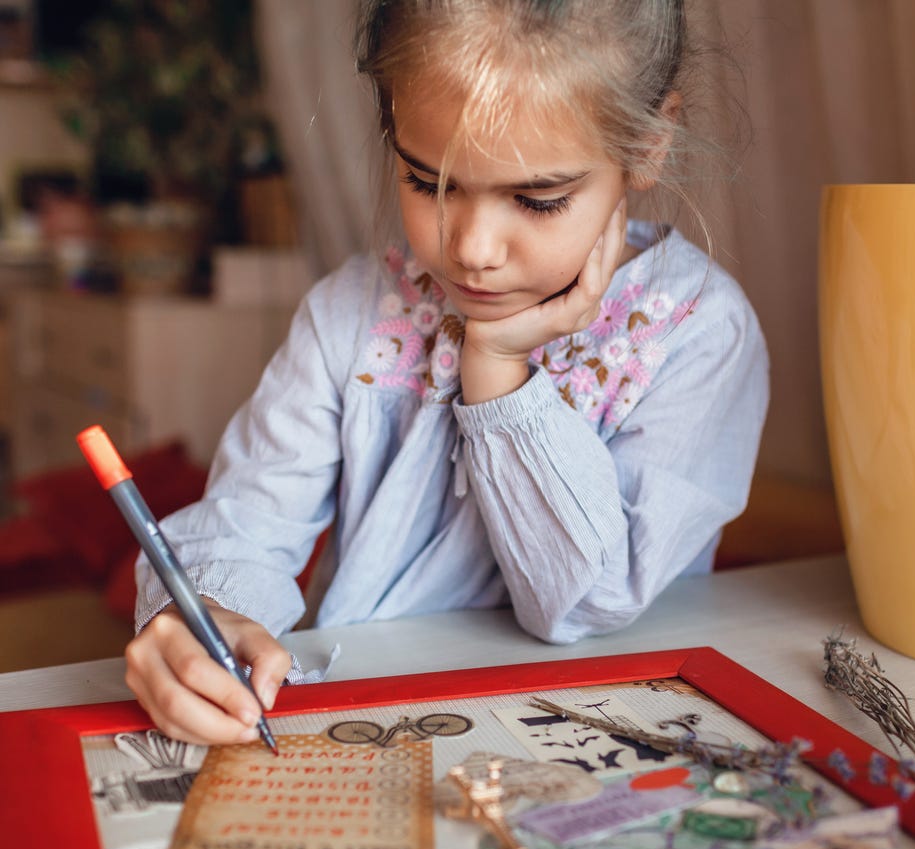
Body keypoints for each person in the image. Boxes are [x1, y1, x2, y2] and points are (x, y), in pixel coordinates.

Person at [127, 0, 769, 746]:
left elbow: (583, 605)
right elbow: (246, 524)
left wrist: (495, 369)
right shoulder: (353, 312)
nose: (471, 248)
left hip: (595, 738)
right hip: (371, 729)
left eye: (537, 199)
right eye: (428, 182)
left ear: (649, 145)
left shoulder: (697, 331)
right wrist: (199, 613)